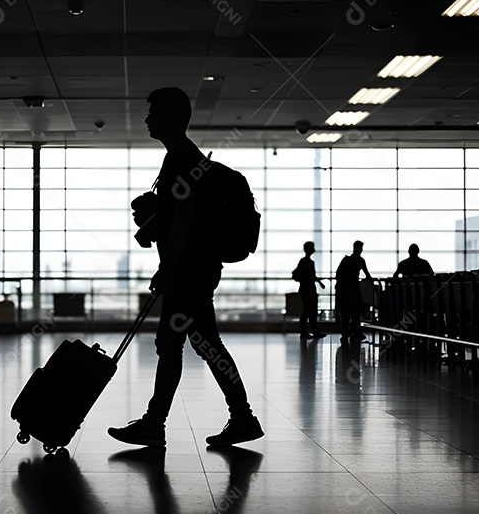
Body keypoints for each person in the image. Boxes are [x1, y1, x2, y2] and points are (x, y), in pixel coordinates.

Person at [108, 86, 263, 448]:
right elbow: (180, 218)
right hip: (194, 269)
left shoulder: (182, 159)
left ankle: (162, 423)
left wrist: (169, 267)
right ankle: (234, 417)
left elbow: (187, 223)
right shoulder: (181, 158)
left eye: (153, 112)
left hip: (189, 272)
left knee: (187, 344)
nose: (147, 119)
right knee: (192, 344)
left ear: (170, 116)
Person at [335, 241, 372, 341]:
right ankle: (355, 331)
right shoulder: (360, 261)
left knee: (345, 313)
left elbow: (338, 274)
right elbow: (367, 274)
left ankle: (345, 332)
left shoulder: (346, 260)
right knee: (355, 312)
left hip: (343, 290)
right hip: (353, 290)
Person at [292, 241, 325, 339]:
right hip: (309, 290)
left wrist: (319, 282)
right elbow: (311, 276)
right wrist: (320, 282)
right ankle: (312, 332)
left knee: (306, 312)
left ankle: (306, 332)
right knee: (310, 312)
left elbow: (310, 276)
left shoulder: (305, 261)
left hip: (304, 289)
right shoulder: (308, 262)